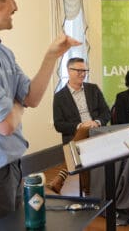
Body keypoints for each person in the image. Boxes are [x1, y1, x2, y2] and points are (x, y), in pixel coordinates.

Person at [0, 0, 80, 230]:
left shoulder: (0, 50)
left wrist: (52, 55)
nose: (16, 6)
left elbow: (31, 97)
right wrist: (16, 104)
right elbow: (5, 125)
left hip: (10, 169)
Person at [49, 57, 111, 194]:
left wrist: (96, 122)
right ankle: (89, 190)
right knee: (82, 142)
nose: (82, 73)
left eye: (85, 70)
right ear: (68, 71)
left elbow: (106, 112)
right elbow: (59, 125)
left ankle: (62, 177)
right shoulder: (59, 97)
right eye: (78, 70)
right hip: (74, 137)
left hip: (97, 132)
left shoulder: (93, 89)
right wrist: (80, 126)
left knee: (82, 145)